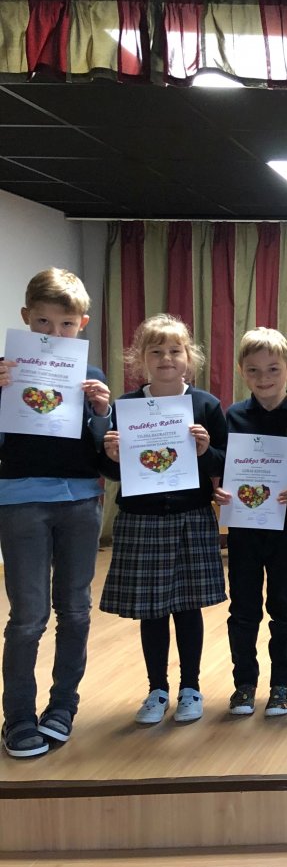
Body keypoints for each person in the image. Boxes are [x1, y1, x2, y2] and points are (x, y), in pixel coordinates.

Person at [0, 269, 111, 757]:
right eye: (43, 322)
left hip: (82, 501)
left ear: (81, 324)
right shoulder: (5, 370)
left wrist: (102, 413)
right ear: (26, 318)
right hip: (20, 499)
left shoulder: (93, 376)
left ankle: (63, 705)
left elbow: (102, 451)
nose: (54, 333)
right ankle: (18, 716)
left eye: (66, 324)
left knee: (76, 609)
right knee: (28, 616)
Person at [99, 314, 227, 724]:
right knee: (151, 611)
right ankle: (157, 690)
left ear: (189, 356)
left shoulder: (206, 405)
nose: (166, 358)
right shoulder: (126, 407)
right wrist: (112, 456)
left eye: (175, 350)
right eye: (156, 351)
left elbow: (225, 462)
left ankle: (191, 687)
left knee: (188, 608)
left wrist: (206, 450)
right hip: (141, 519)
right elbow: (115, 473)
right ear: (141, 358)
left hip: (192, 515)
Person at [213, 328, 287, 718]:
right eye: (253, 370)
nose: (264, 377)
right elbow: (222, 465)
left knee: (284, 606)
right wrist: (218, 489)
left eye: (273, 369)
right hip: (245, 529)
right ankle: (244, 684)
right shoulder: (233, 415)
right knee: (243, 608)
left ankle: (282, 684)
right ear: (241, 371)